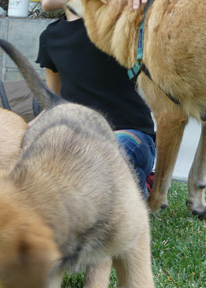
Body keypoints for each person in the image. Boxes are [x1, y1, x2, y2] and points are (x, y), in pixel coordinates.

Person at [36, 0, 156, 197]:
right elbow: (52, 104)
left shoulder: (117, 22)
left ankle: (140, 189)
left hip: (130, 137)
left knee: (108, 156)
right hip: (80, 146)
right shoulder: (50, 38)